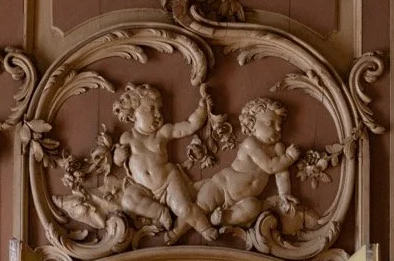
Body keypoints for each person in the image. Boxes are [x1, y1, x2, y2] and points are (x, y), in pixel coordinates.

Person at [112, 83, 217, 242]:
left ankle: (204, 227)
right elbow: (118, 161)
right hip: (143, 188)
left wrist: (202, 108)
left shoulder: (163, 133)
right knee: (128, 200)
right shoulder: (127, 138)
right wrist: (119, 156)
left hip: (168, 181)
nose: (158, 114)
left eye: (159, 109)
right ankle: (160, 212)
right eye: (151, 109)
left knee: (184, 208)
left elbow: (189, 126)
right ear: (133, 114)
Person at [196, 96, 300, 227]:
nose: (278, 128)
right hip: (223, 185)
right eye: (270, 123)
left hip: (245, 199)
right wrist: (289, 158)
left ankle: (222, 218)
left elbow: (281, 173)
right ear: (252, 123)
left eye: (279, 125)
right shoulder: (251, 143)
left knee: (254, 207)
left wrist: (284, 193)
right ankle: (176, 231)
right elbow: (270, 167)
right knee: (200, 207)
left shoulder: (278, 148)